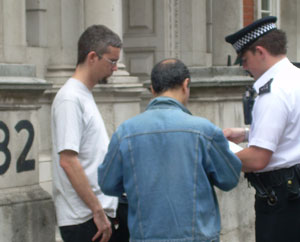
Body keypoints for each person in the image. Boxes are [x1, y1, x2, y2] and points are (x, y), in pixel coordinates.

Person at [98, 58, 241, 242]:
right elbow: (229, 179)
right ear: (185, 84)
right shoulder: (204, 131)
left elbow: (108, 184)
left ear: (152, 89)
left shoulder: (125, 133)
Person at [224, 16, 300, 242]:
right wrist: (247, 134)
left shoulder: (273, 91)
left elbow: (257, 159)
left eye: (244, 60)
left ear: (260, 51)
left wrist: (216, 151)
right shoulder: (295, 77)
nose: (245, 68)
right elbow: (292, 128)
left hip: (282, 200)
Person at [51, 25, 129, 242]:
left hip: (96, 216)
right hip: (85, 219)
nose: (115, 68)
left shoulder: (82, 94)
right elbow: (68, 161)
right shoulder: (70, 98)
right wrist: (97, 211)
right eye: (112, 61)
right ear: (93, 57)